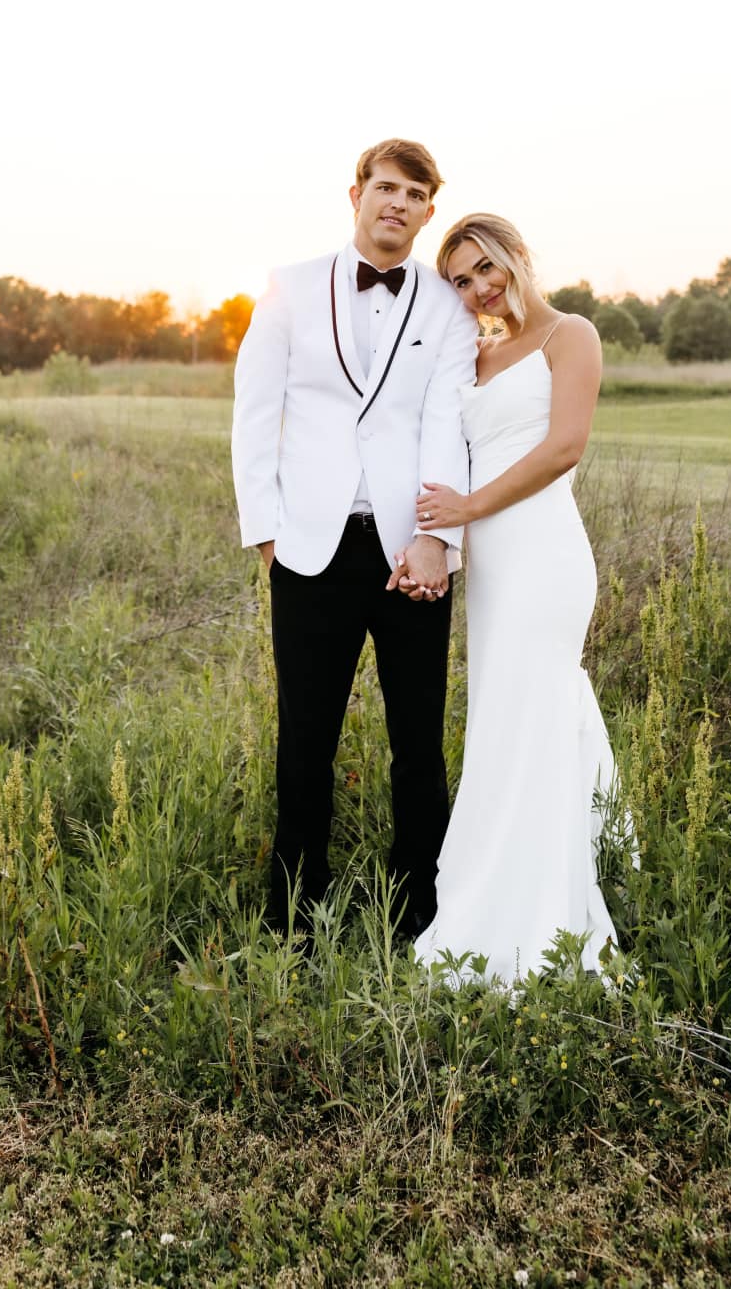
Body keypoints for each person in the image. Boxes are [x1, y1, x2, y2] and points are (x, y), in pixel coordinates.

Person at [231, 139, 478, 937]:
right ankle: (295, 919)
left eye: (413, 193)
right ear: (356, 194)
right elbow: (255, 414)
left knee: (419, 742)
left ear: (428, 210)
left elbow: (445, 420)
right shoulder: (291, 288)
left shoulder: (446, 304)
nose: (396, 203)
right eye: (384, 187)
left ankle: (421, 916)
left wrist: (439, 540)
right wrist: (267, 532)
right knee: (305, 740)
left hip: (410, 550)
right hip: (310, 548)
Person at [410, 213, 620, 983]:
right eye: (460, 280)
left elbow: (564, 446)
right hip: (493, 569)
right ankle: (515, 870)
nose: (477, 289)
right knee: (504, 718)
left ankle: (538, 908)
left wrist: (468, 508)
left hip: (543, 554)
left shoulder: (572, 335)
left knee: (529, 712)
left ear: (517, 257)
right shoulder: (477, 353)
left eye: (485, 269)